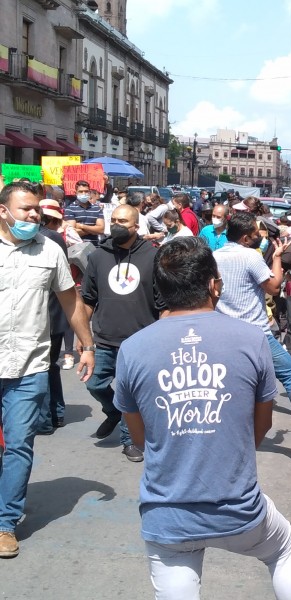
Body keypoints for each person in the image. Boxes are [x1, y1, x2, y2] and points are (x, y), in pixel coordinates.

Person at [112, 237, 291, 600]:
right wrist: (228, 452)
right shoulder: (252, 339)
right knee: (282, 550)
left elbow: (140, 436)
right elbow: (262, 424)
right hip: (238, 508)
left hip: (166, 516)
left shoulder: (133, 349)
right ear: (213, 284)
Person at [0, 181, 95, 559]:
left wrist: (87, 346)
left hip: (30, 365)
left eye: (36, 209)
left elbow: (70, 301)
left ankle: (5, 524)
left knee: (20, 444)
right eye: (26, 209)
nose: (33, 216)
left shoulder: (50, 250)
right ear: (3, 211)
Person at [81, 204, 164, 463]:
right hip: (104, 338)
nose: (117, 225)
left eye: (123, 221)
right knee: (94, 383)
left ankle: (130, 440)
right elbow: (87, 299)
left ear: (136, 227)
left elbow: (162, 304)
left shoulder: (153, 257)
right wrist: (83, 340)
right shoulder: (97, 256)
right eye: (114, 219)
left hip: (140, 340)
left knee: (131, 392)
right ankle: (113, 411)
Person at [213, 213, 291, 434]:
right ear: (245, 238)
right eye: (255, 233)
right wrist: (277, 258)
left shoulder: (214, 256)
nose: (259, 237)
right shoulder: (250, 256)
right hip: (255, 333)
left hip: (223, 332)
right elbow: (274, 288)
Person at [36, 199, 71, 435]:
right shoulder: (55, 237)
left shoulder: (47, 240)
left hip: (47, 314)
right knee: (51, 367)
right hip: (53, 313)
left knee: (43, 366)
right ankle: (56, 412)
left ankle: (46, 419)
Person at [64, 180, 105, 247]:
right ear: (75, 193)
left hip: (94, 247)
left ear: (89, 192)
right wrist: (93, 230)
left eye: (86, 191)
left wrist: (82, 226)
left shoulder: (97, 209)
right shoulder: (70, 209)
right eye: (80, 191)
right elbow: (72, 233)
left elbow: (101, 230)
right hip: (76, 248)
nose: (83, 193)